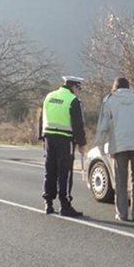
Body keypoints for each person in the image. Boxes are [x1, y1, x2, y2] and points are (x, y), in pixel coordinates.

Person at [95, 77, 134, 222]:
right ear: (128, 87)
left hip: (118, 145)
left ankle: (122, 214)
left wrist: (100, 144)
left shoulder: (109, 100)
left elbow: (103, 125)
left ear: (114, 87)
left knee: (120, 181)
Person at [39, 75, 88, 216]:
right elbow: (78, 125)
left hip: (49, 138)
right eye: (79, 88)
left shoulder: (49, 96)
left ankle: (48, 203)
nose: (79, 91)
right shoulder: (73, 100)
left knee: (50, 170)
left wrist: (42, 136)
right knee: (64, 172)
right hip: (65, 140)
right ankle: (65, 204)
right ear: (74, 86)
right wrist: (82, 143)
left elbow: (42, 118)